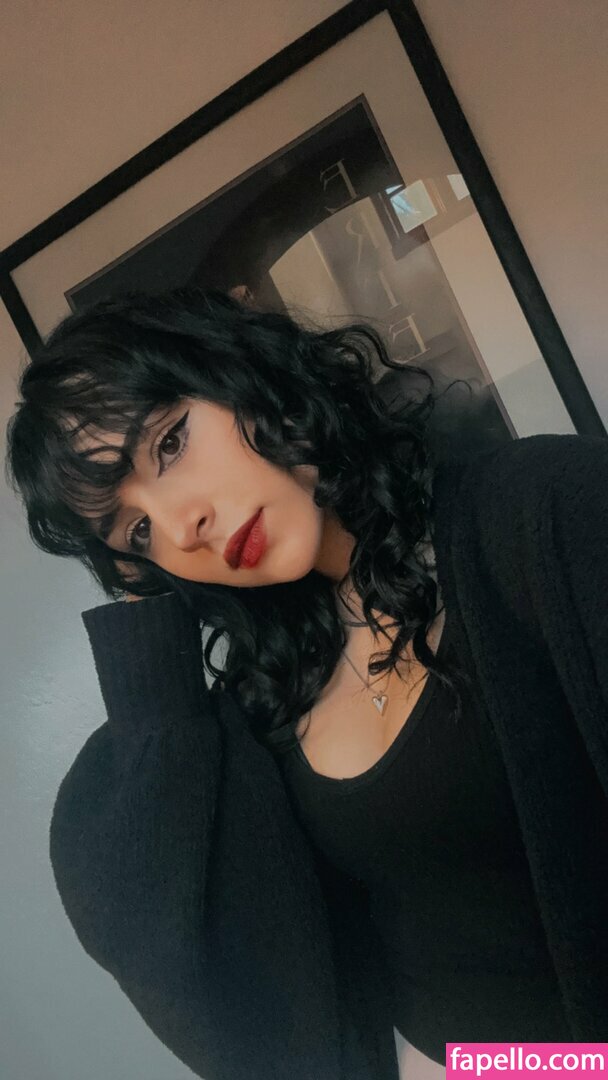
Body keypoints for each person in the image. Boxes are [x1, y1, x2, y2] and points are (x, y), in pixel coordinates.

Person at [5, 286, 608, 1080]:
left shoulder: (543, 510)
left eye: (171, 442)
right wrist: (148, 636)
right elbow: (153, 934)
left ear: (241, 373)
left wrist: (559, 1069)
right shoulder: (272, 693)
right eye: (140, 531)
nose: (182, 526)